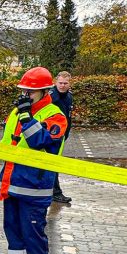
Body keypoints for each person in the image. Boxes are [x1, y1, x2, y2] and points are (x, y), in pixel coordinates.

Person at [0, 66, 67, 254]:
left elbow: (38, 141)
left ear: (45, 91)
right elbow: (9, 141)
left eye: (30, 91)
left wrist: (26, 117)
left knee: (33, 234)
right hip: (11, 183)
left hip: (34, 187)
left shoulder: (55, 116)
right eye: (23, 90)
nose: (25, 94)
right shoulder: (17, 112)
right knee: (13, 231)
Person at [49, 71, 73, 204]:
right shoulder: (51, 97)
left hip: (61, 136)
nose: (62, 85)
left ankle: (54, 191)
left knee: (52, 164)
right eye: (60, 83)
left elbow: (68, 117)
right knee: (53, 164)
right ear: (55, 82)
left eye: (65, 83)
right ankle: (56, 193)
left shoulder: (69, 97)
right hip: (50, 137)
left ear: (70, 84)